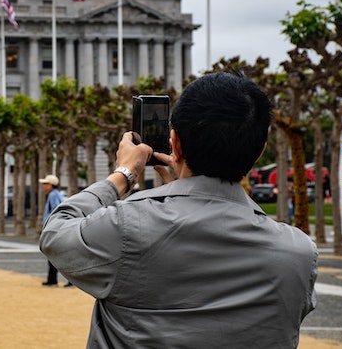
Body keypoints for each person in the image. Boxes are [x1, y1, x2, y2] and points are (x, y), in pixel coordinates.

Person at [40, 72, 318, 348]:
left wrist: (124, 173)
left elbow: (55, 232)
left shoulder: (128, 226)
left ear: (174, 143)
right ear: (259, 152)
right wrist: (184, 187)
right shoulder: (299, 254)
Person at [39, 174, 70, 287]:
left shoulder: (52, 195)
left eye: (45, 184)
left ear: (51, 185)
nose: (43, 187)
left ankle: (53, 280)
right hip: (57, 229)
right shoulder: (55, 194)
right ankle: (52, 279)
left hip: (54, 229)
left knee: (55, 255)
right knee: (54, 255)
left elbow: (56, 211)